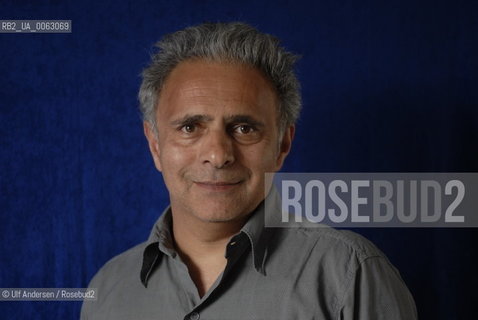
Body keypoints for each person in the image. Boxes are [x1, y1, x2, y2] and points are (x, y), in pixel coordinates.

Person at [81, 22, 417, 319]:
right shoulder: (108, 291)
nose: (217, 155)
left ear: (282, 145)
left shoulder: (349, 275)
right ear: (155, 145)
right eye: (189, 128)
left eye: (244, 128)